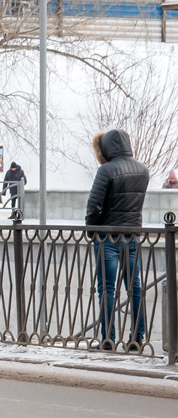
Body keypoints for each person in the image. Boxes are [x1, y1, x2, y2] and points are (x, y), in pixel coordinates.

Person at [85, 129, 149, 351]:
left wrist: (91, 230)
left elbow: (94, 205)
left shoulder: (106, 170)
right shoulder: (143, 170)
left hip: (107, 237)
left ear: (108, 148)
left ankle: (109, 339)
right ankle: (137, 338)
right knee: (135, 287)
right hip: (132, 236)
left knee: (107, 289)